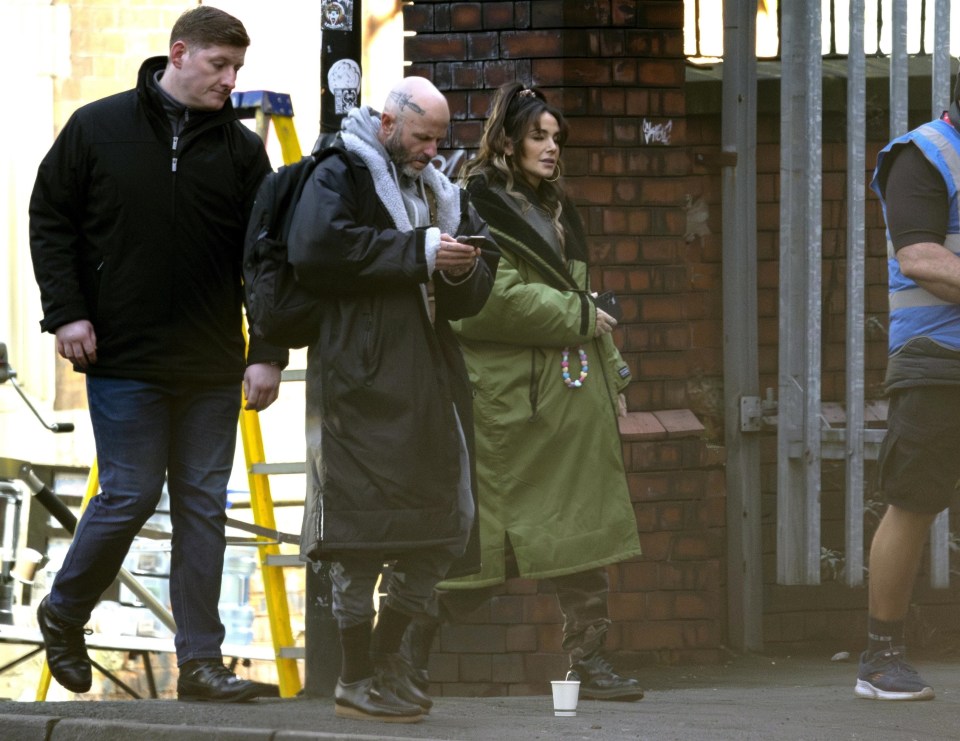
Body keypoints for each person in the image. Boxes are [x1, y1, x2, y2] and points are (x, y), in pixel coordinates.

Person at [28, 7, 285, 702]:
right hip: (122, 356)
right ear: (179, 54)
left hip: (209, 363)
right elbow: (50, 218)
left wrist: (266, 352)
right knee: (131, 493)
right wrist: (67, 312)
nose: (231, 82)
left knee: (203, 506)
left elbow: (265, 257)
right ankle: (65, 609)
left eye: (237, 69)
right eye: (219, 67)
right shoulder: (97, 127)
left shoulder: (240, 152)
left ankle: (201, 662)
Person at [403, 81, 644, 701]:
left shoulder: (554, 206)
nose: (552, 148)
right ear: (507, 141)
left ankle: (589, 665)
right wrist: (581, 318)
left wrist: (613, 374)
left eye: (556, 137)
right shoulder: (473, 203)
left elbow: (582, 302)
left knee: (580, 541)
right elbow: (486, 305)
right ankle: (398, 659)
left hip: (565, 398)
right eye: (539, 136)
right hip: (509, 407)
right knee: (482, 556)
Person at [287, 76, 498, 723]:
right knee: (357, 533)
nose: (433, 152)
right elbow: (317, 248)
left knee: (445, 521)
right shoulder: (338, 169)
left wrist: (463, 269)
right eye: (421, 136)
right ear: (386, 121)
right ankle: (356, 674)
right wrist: (423, 249)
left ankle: (381, 661)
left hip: (427, 373)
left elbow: (479, 264)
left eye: (439, 138)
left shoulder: (437, 187)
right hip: (358, 374)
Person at [855, 75, 960, 702]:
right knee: (914, 502)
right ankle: (881, 656)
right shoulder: (923, 154)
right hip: (936, 361)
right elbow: (919, 256)